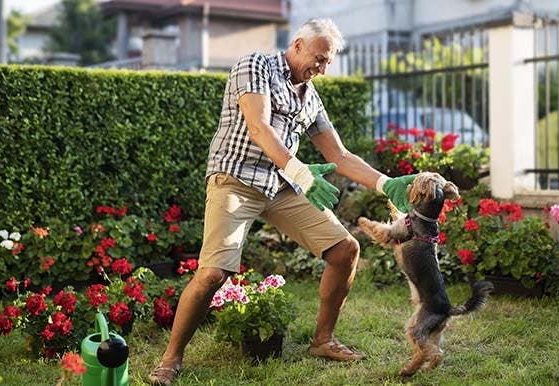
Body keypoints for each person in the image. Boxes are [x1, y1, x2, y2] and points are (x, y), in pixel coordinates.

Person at [148, 18, 415, 386]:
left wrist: (386, 183)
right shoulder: (255, 65)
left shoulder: (310, 95)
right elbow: (259, 126)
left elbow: (337, 153)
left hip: (282, 185)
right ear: (298, 44)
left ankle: (323, 340)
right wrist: (303, 173)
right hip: (236, 179)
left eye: (326, 64)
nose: (320, 69)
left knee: (344, 249)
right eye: (318, 59)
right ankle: (171, 358)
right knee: (213, 273)